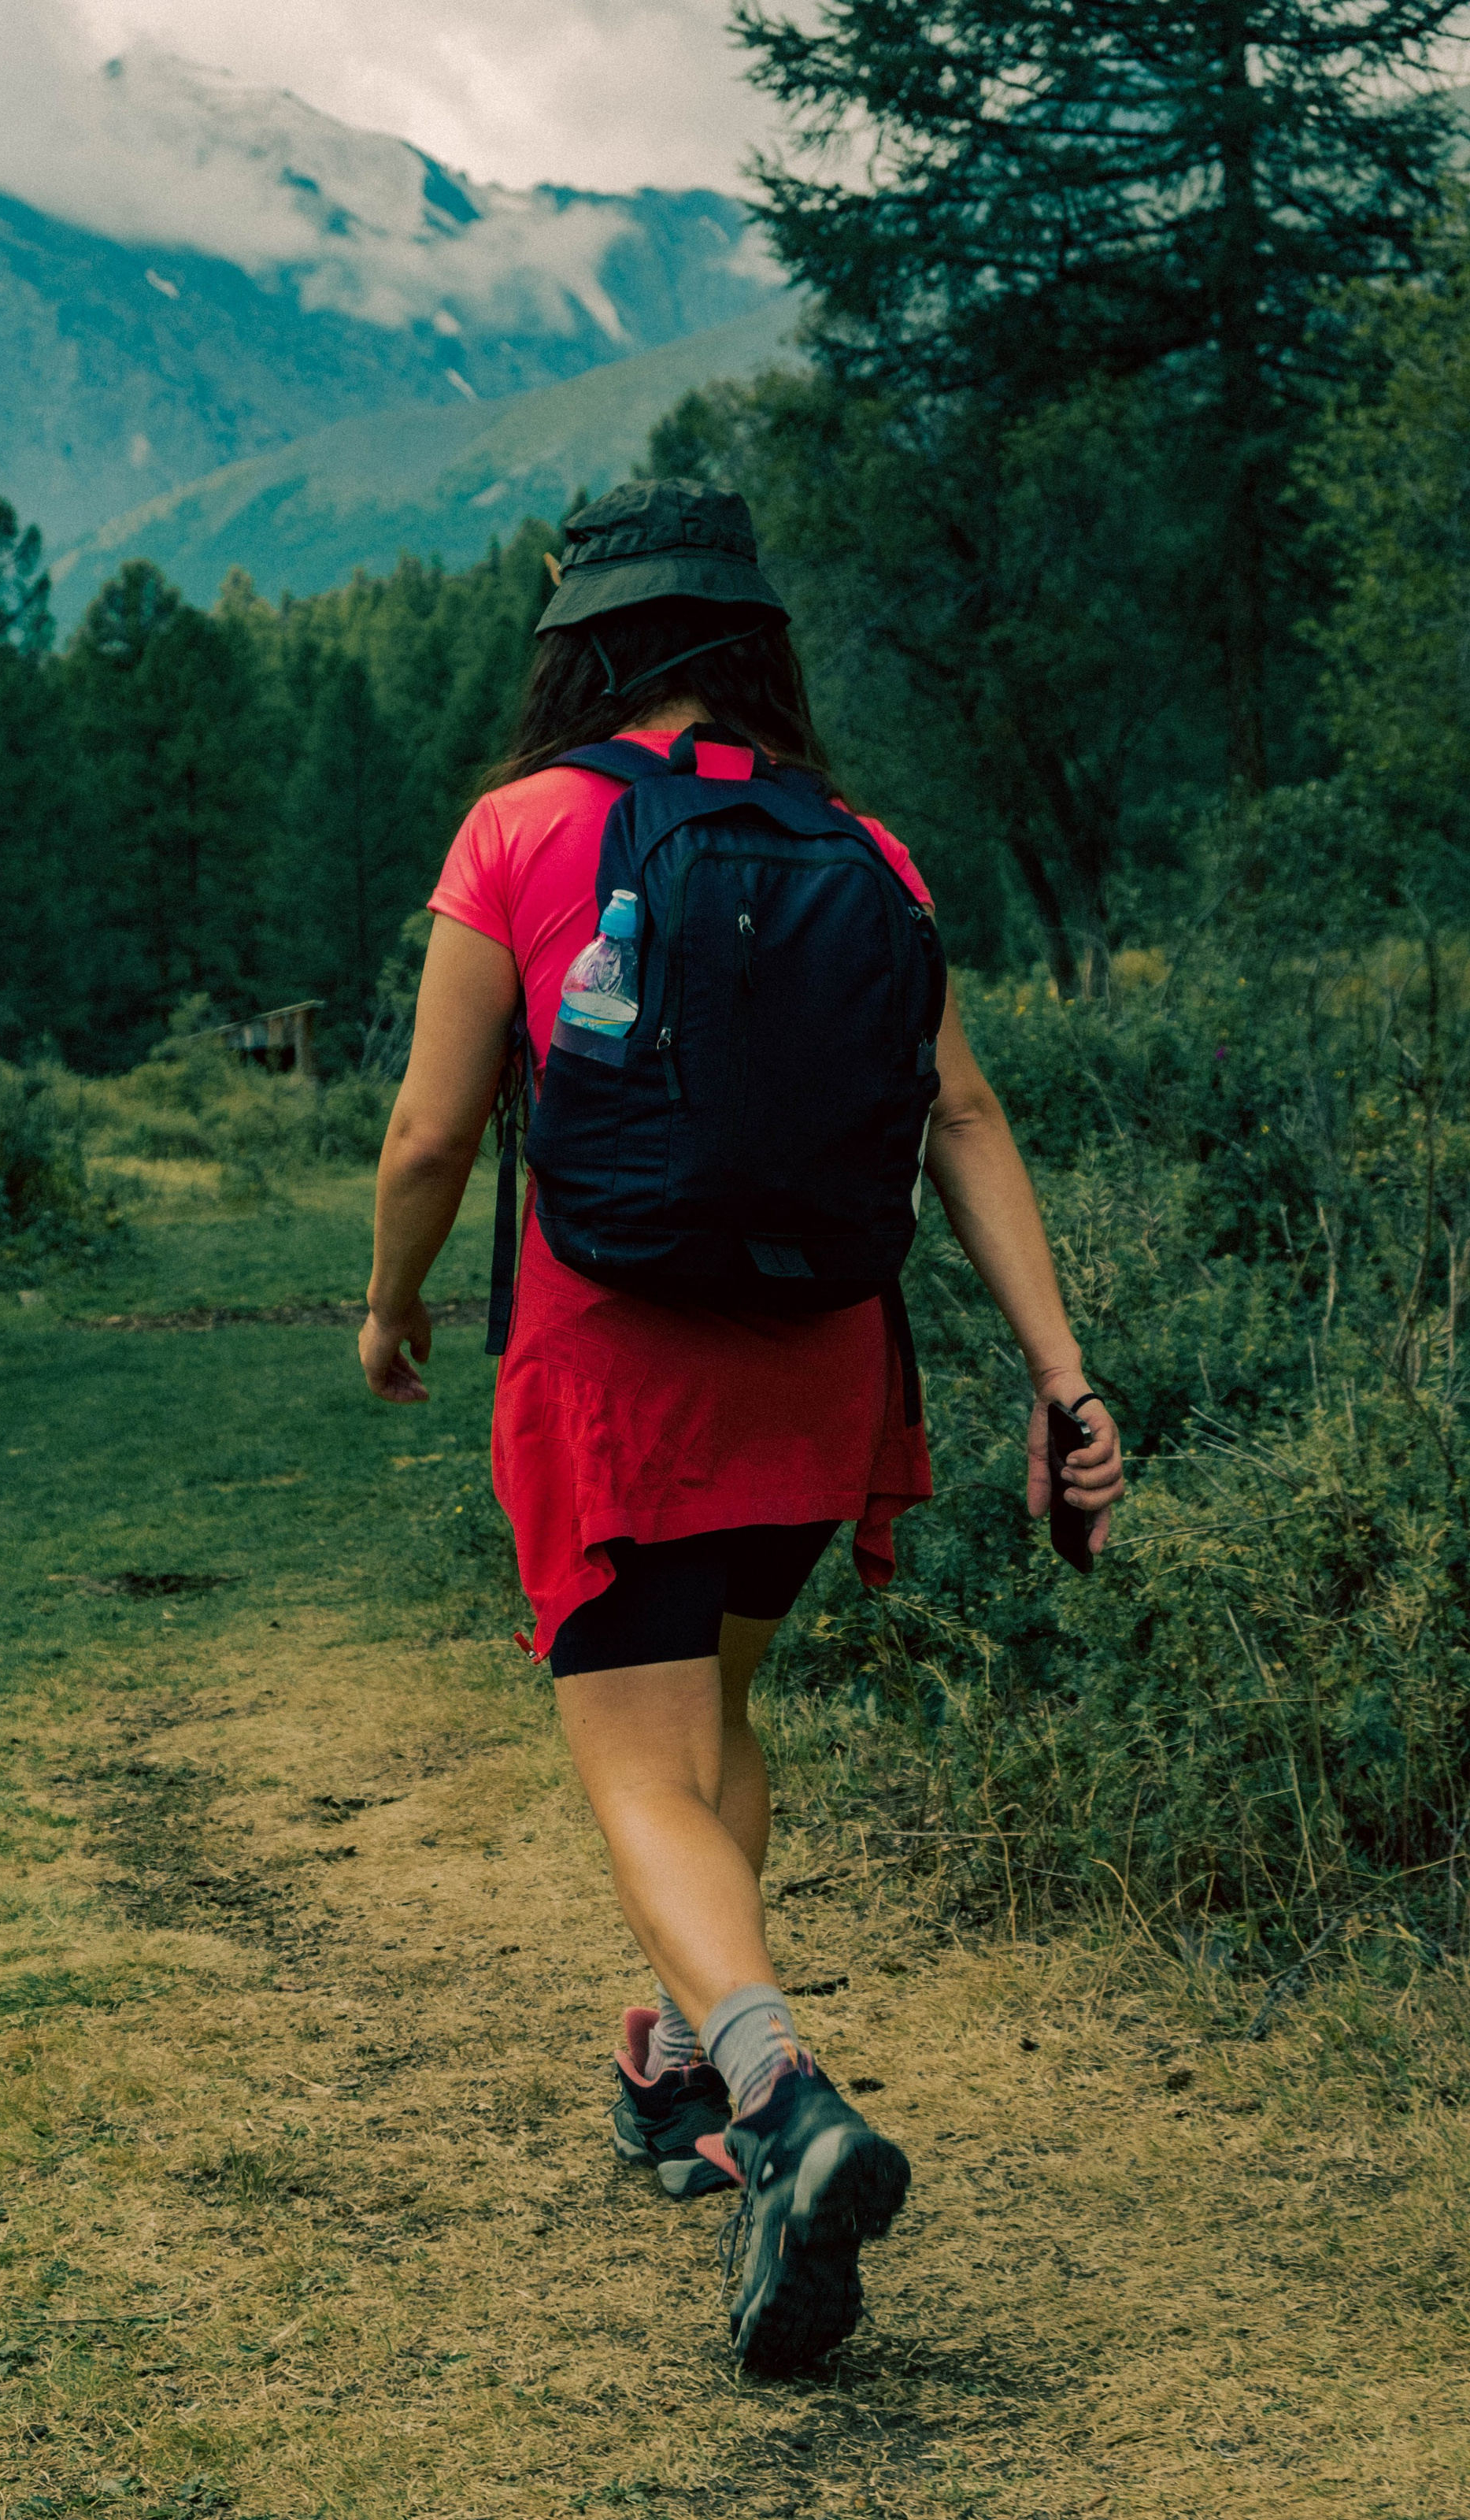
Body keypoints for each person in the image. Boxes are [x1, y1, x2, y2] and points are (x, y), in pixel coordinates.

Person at [357, 478, 1125, 2375]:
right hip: (818, 1362)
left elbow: (432, 1131)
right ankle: (693, 2052)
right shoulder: (864, 846)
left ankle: (784, 2104)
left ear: (578, 646)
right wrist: (1059, 1373)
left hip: (615, 1367)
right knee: (714, 1717)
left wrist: (389, 1304)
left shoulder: (524, 826)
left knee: (634, 1766)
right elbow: (962, 1120)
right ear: (753, 647)